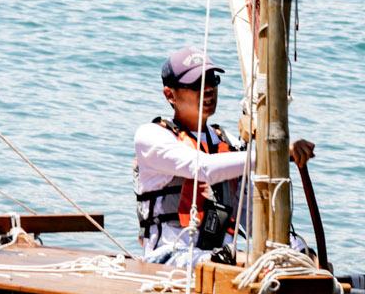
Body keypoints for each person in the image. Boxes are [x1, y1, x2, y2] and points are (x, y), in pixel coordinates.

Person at [134, 46, 313, 266]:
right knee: (242, 261)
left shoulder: (227, 142)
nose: (208, 89)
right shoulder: (151, 136)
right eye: (196, 84)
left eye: (212, 80)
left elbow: (250, 214)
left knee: (295, 258)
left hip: (224, 258)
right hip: (169, 258)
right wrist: (276, 153)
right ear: (170, 94)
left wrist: (296, 248)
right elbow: (203, 169)